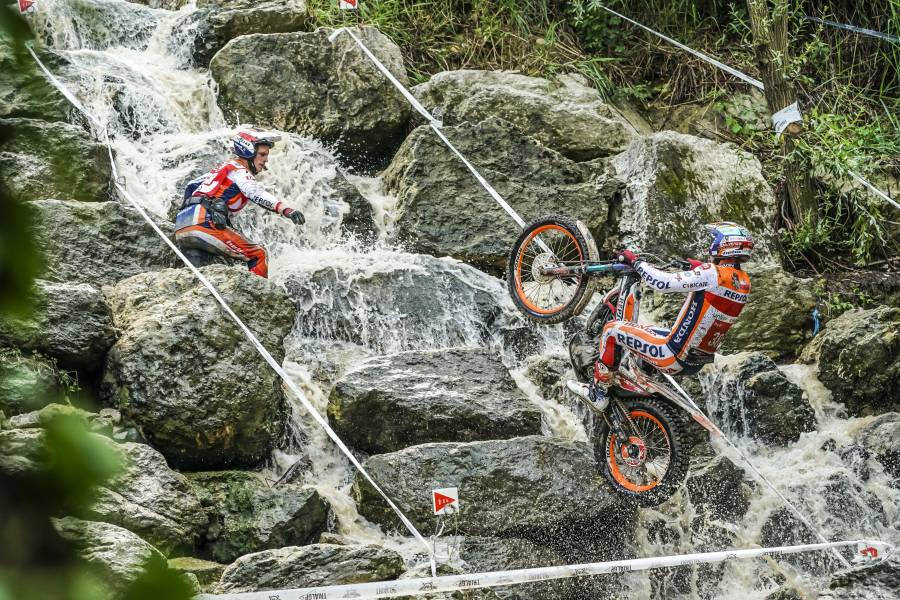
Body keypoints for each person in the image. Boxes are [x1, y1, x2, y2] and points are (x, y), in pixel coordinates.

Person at [568, 222, 754, 403]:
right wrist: (695, 267)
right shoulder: (743, 282)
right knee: (645, 329)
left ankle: (598, 393)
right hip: (693, 362)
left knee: (610, 330)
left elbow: (662, 283)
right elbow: (716, 288)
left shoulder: (713, 273)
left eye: (713, 241)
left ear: (724, 246)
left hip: (670, 355)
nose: (710, 246)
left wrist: (636, 262)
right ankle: (633, 374)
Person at [174, 131, 305, 278]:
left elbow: (191, 186)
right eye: (262, 154)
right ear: (248, 152)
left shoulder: (221, 170)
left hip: (183, 227)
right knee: (259, 254)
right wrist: (285, 210)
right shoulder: (240, 170)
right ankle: (259, 298)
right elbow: (255, 193)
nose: (266, 160)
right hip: (203, 225)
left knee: (202, 274)